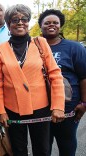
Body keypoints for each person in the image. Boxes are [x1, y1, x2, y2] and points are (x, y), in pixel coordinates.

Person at [0, 4, 65, 156]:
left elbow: (55, 75)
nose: (20, 22)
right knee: (18, 150)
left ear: (28, 22)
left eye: (24, 19)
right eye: (14, 20)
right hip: (12, 109)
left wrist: (58, 105)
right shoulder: (1, 49)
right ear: (8, 24)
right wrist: (1, 111)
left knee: (42, 150)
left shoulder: (40, 43)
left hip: (41, 107)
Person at [38, 9, 86, 156]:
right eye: (47, 23)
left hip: (68, 107)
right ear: (41, 26)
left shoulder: (74, 48)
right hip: (41, 107)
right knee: (43, 147)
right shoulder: (33, 47)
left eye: (55, 22)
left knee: (67, 144)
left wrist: (84, 103)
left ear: (60, 25)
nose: (51, 25)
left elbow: (84, 77)